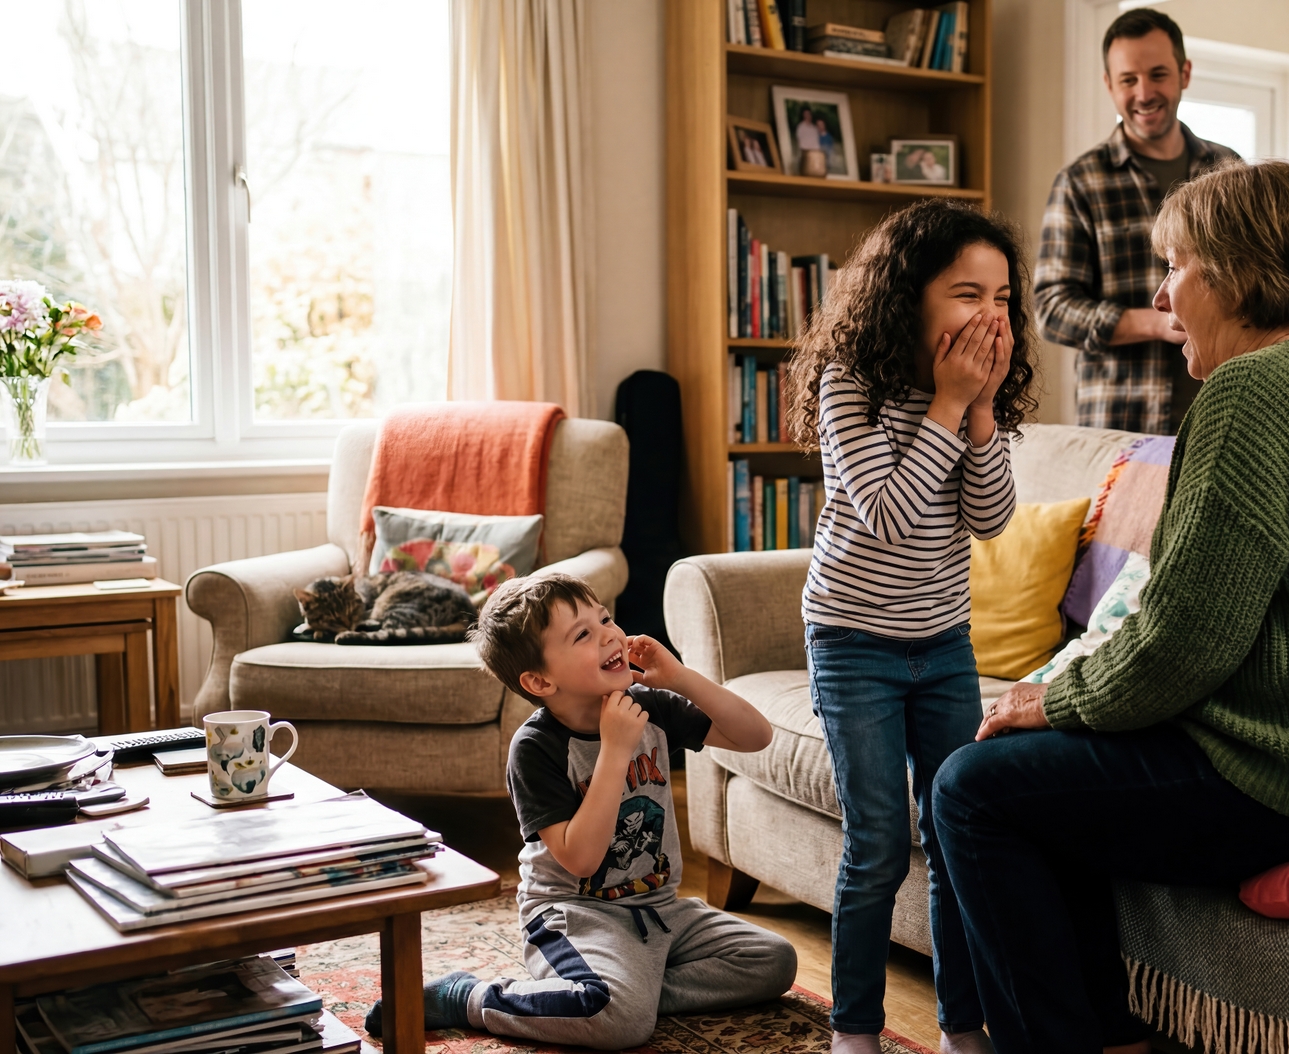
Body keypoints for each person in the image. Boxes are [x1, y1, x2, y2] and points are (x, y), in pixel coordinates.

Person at [932, 162, 1289, 1054]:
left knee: (972, 788)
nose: (1162, 290)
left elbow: (1178, 647)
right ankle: (1110, 1038)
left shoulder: (1249, 396)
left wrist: (1045, 699)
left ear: (1232, 270)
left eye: (1173, 264)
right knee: (1051, 777)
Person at [780, 198, 1037, 1054]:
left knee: (957, 836)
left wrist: (980, 411)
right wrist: (946, 403)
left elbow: (990, 517)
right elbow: (886, 516)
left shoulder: (971, 394)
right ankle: (854, 1030)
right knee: (880, 843)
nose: (990, 316)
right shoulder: (851, 381)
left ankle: (963, 1027)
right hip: (853, 643)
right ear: (909, 295)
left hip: (944, 644)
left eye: (1002, 299)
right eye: (968, 294)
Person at [360, 573, 796, 1047]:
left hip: (657, 908)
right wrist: (614, 751)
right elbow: (581, 859)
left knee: (773, 960)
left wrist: (681, 678)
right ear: (540, 680)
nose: (610, 633)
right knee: (621, 1024)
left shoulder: (647, 705)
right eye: (583, 634)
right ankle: (469, 996)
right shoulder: (535, 748)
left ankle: (623, 997)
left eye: (605, 618)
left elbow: (756, 736)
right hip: (574, 912)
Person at [1037, 7, 1240, 434]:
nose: (1144, 92)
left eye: (1158, 74)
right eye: (1128, 79)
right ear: (1110, 85)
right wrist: (1161, 320)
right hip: (1119, 422)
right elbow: (1052, 309)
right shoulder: (1079, 181)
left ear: (1184, 73)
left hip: (1223, 410)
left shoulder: (1229, 170)